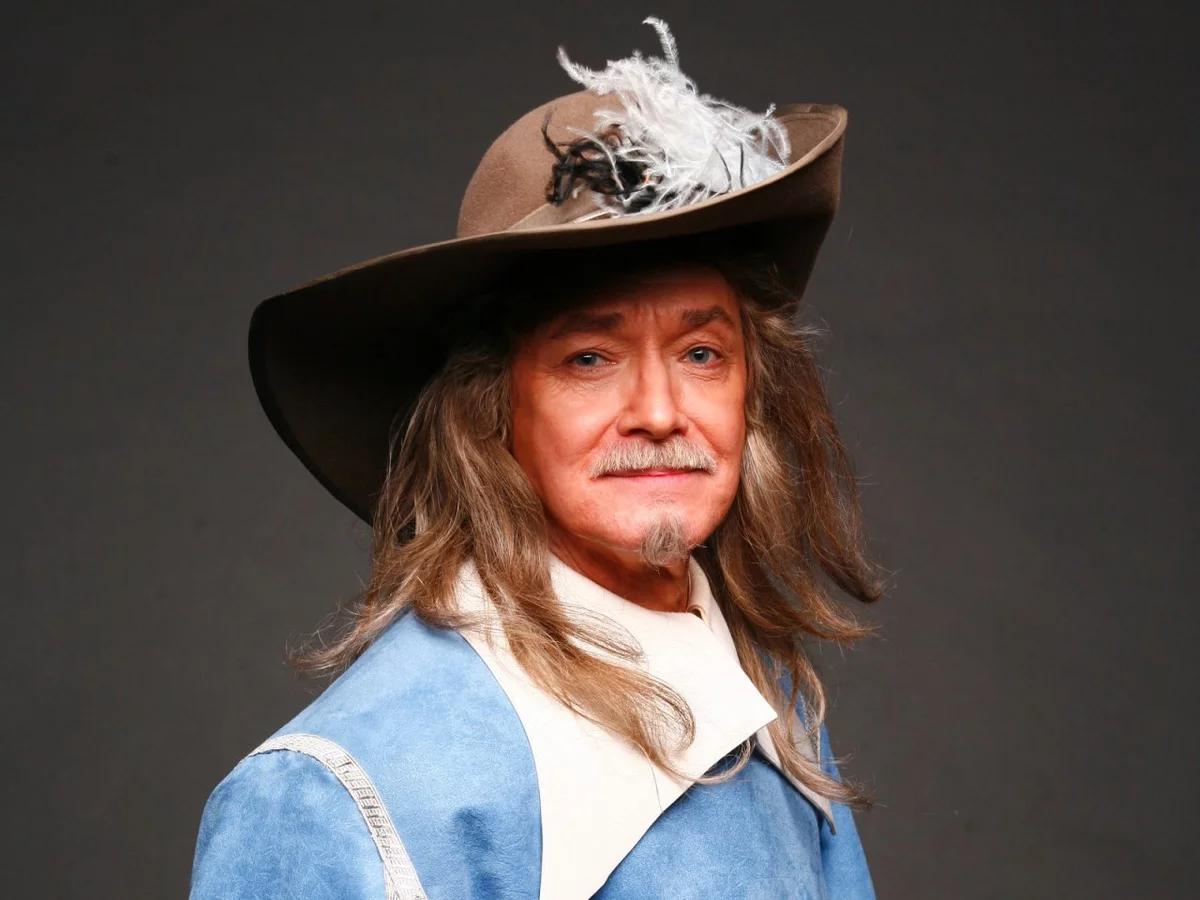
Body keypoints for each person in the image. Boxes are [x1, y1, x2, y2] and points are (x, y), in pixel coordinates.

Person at [189, 17, 886, 899]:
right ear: (490, 411)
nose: (659, 411)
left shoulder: (771, 706)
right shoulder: (333, 796)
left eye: (701, 353)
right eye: (589, 358)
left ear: (753, 388)